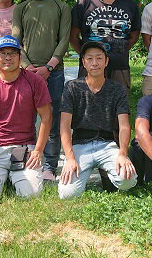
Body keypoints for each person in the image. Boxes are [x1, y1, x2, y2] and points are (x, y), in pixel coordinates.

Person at [0, 35, 52, 202]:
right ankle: (4, 177)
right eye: (2, 53)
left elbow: (46, 116)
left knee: (31, 195)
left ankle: (15, 176)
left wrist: (38, 151)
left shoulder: (34, 81)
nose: (7, 57)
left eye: (13, 53)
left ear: (20, 57)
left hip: (24, 147)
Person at [12, 0, 71, 181]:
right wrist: (29, 67)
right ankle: (24, 160)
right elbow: (16, 40)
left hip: (54, 72)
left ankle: (50, 165)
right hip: (26, 72)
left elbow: (64, 40)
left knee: (52, 118)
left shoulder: (61, 7)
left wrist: (49, 66)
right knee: (24, 118)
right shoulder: (21, 7)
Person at [58, 41, 137, 199]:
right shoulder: (72, 87)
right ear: (83, 62)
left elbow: (124, 126)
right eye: (90, 59)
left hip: (107, 144)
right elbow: (65, 126)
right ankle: (86, 175)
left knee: (128, 181)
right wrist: (70, 158)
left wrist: (122, 153)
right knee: (67, 194)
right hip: (80, 144)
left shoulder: (117, 89)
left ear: (106, 61)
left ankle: (107, 174)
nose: (95, 63)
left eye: (99, 58)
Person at [70, 0, 141, 89]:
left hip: (120, 66)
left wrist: (121, 48)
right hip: (91, 67)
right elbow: (73, 35)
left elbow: (135, 34)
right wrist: (86, 53)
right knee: (88, 104)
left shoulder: (130, 5)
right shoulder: (84, 4)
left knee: (119, 105)